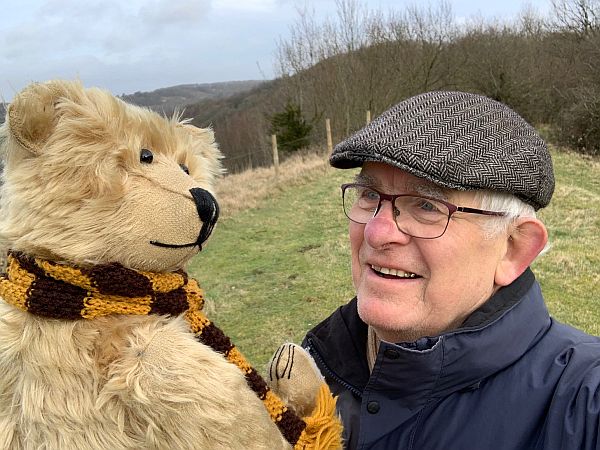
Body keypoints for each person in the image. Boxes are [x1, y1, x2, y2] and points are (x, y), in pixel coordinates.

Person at [302, 91, 600, 449]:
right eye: (369, 196)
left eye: (427, 206)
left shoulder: (584, 406)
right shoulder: (317, 367)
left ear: (514, 249)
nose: (377, 232)